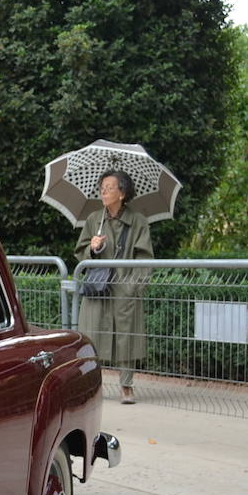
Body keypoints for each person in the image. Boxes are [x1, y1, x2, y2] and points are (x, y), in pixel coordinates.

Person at [74, 169, 153, 405]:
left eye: (109, 187)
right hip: (99, 288)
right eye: (102, 187)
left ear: (122, 192)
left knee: (126, 337)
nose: (103, 191)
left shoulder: (137, 221)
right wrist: (93, 248)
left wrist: (133, 288)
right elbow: (81, 253)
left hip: (124, 288)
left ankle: (126, 387)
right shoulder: (94, 220)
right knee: (93, 333)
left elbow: (146, 259)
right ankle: (91, 385)